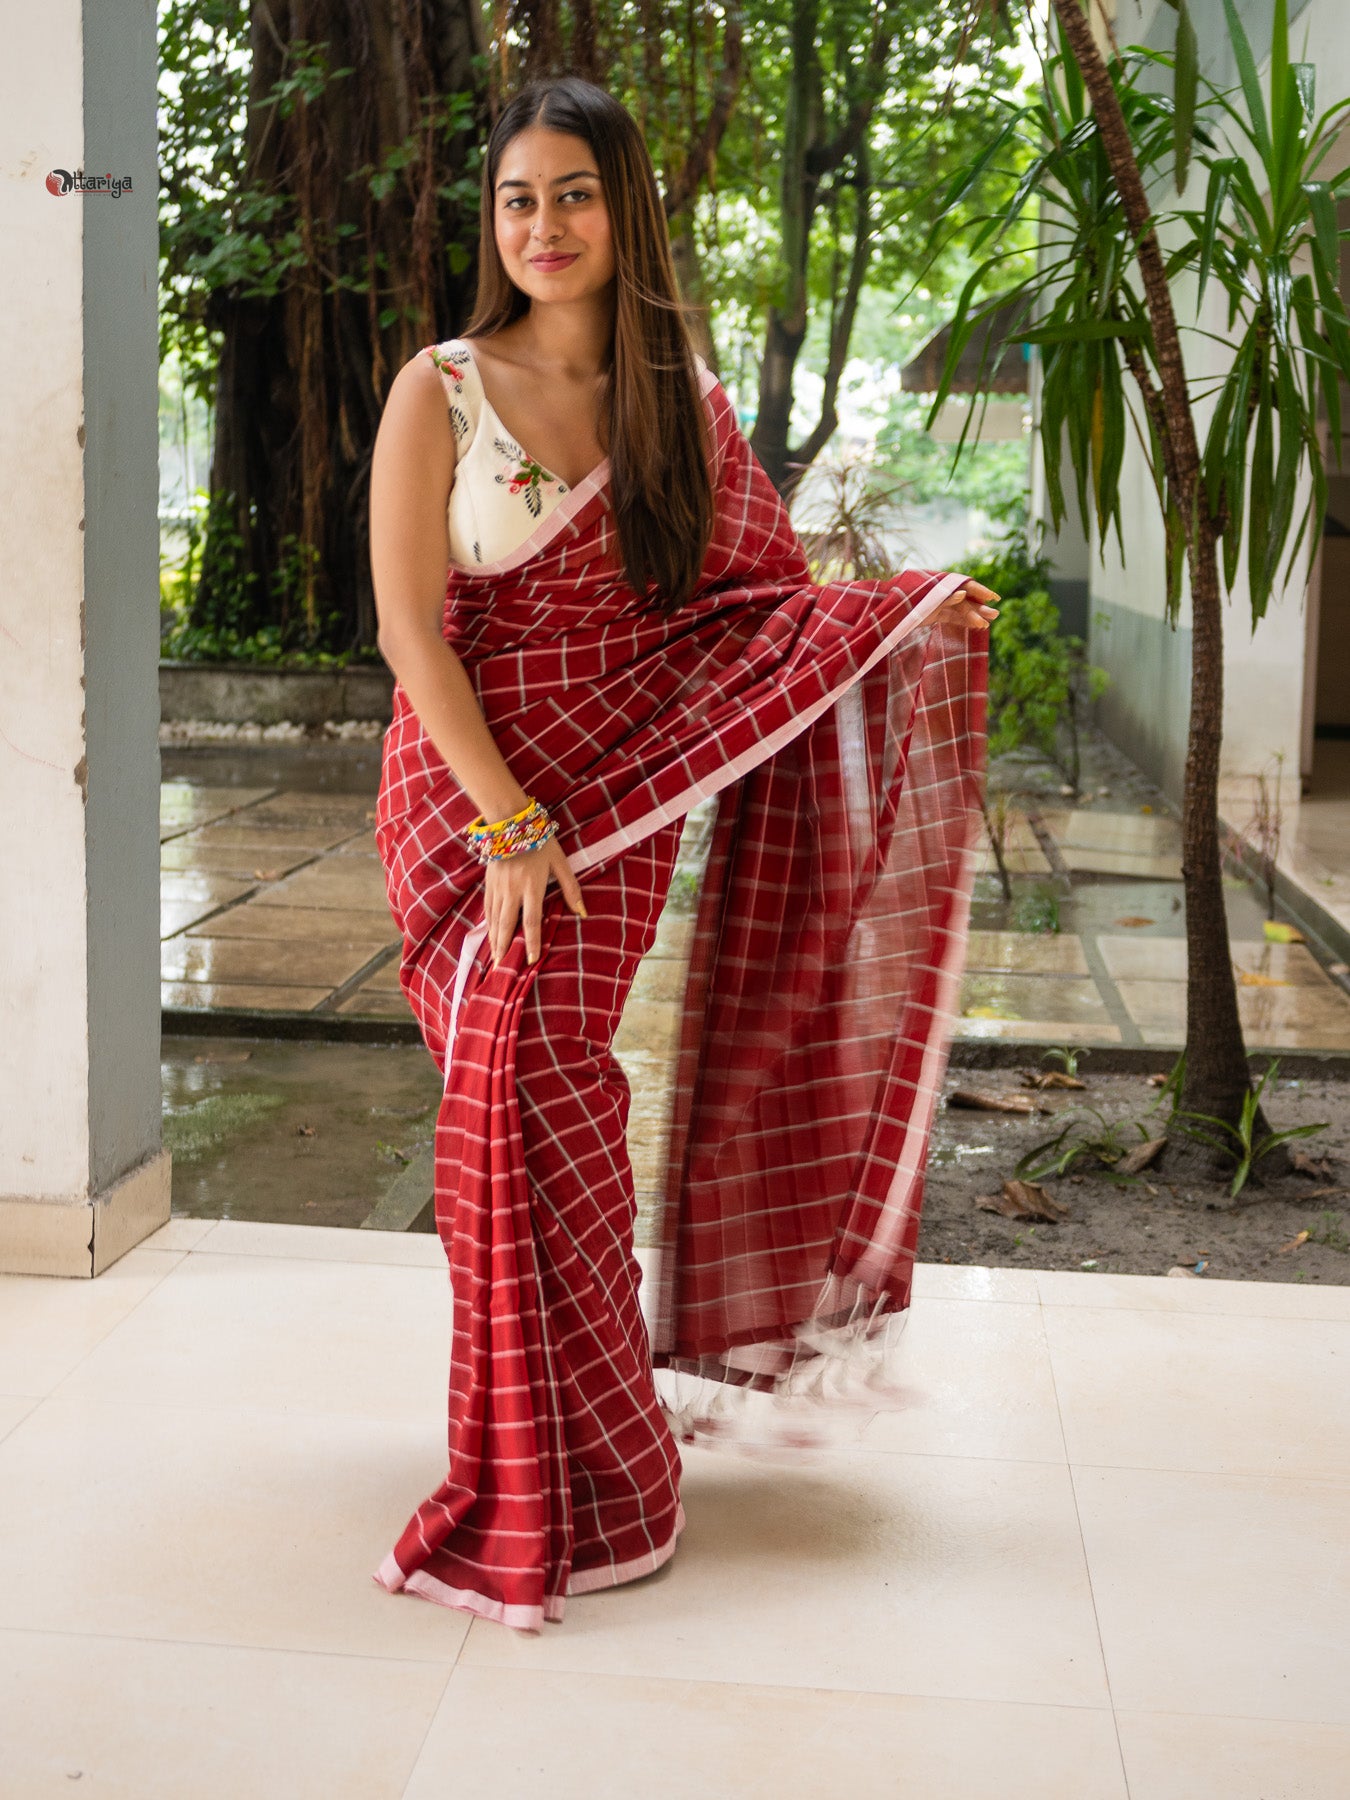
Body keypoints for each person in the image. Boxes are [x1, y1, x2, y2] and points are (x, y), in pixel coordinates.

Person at [367, 74, 997, 1634]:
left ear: (624, 206)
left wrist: (899, 612)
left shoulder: (686, 403)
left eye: (572, 193)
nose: (542, 226)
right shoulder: (436, 387)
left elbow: (754, 612)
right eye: (517, 199)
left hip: (619, 811)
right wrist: (507, 824)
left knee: (537, 1089)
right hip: (467, 805)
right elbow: (404, 626)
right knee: (512, 1093)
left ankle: (590, 1466)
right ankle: (573, 1453)